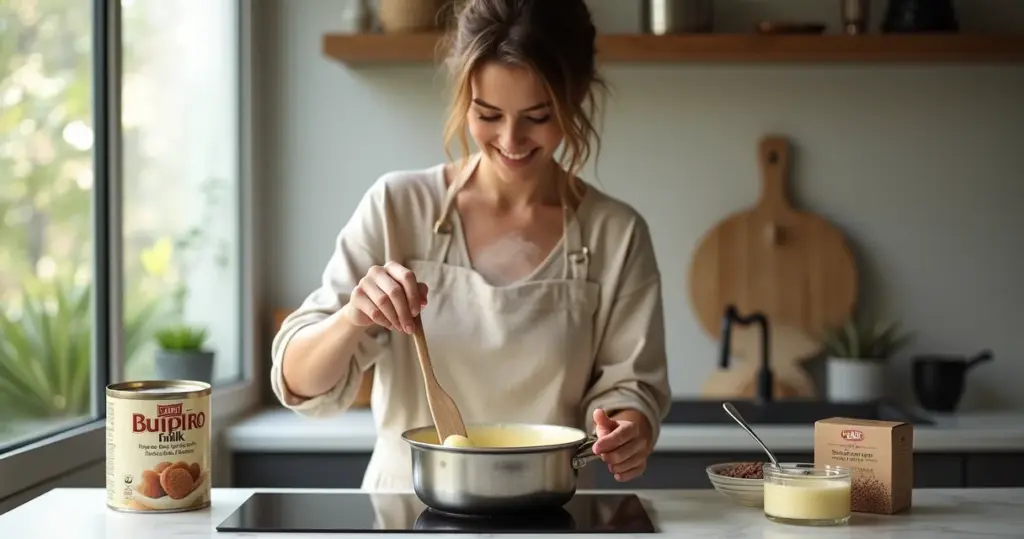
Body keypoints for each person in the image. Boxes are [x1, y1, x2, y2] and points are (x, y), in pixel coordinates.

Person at [270, 0, 671, 491]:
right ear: (464, 97)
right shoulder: (398, 207)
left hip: (545, 513)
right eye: (488, 114)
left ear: (578, 95)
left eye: (538, 116)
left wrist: (629, 429)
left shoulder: (618, 233)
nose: (511, 139)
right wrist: (352, 317)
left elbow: (630, 389)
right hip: (404, 513)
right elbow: (300, 384)